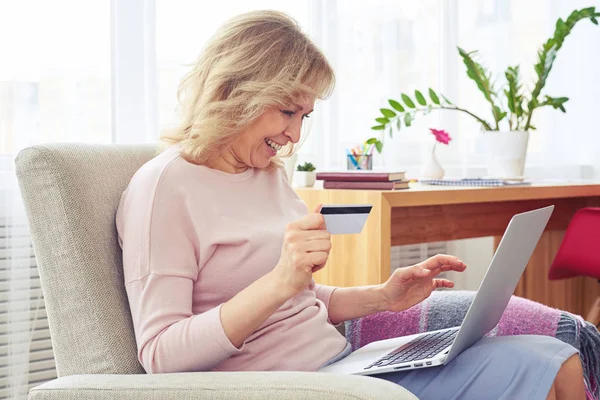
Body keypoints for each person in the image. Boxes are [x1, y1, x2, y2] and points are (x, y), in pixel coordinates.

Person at [116, 10, 586, 399]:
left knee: (555, 356)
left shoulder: (265, 175)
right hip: (283, 386)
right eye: (286, 111)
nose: (295, 134)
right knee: (543, 375)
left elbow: (299, 299)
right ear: (234, 91)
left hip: (341, 366)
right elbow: (160, 355)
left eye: (305, 115)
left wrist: (383, 296)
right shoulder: (164, 189)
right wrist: (280, 282)